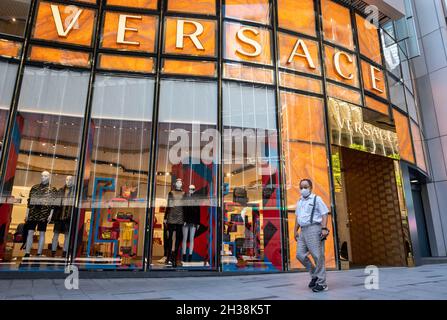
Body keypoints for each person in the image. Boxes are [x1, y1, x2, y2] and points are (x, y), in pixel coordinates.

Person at [294, 178, 330, 292]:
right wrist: (295, 230)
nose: (303, 189)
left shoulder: (316, 199)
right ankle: (315, 275)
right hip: (303, 230)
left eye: (305, 187)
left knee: (317, 256)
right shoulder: (299, 201)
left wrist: (324, 228)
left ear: (311, 188)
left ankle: (322, 283)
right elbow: (297, 217)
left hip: (314, 228)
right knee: (300, 255)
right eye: (301, 187)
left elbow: (324, 213)